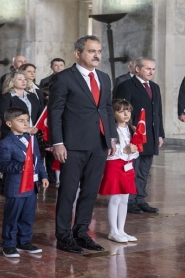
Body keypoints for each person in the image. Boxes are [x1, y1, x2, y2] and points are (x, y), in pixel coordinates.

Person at [48, 35, 117, 254]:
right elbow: (55, 112)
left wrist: (111, 138)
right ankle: (64, 236)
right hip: (73, 145)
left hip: (99, 144)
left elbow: (106, 109)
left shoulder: (104, 78)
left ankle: (82, 233)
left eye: (99, 51)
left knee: (90, 191)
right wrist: (57, 142)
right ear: (78, 53)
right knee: (68, 191)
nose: (96, 55)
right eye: (91, 51)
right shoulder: (64, 78)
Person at [113, 57, 164, 214]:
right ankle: (129, 201)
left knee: (144, 169)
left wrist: (160, 134)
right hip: (132, 136)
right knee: (132, 168)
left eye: (153, 69)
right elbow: (119, 111)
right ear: (137, 69)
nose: (151, 72)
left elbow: (158, 113)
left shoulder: (154, 87)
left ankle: (140, 198)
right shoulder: (126, 86)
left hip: (150, 136)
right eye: (148, 69)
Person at [0, 107, 49, 258]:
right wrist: (22, 166)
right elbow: (2, 165)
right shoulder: (5, 143)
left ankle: (24, 241)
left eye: (27, 120)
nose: (25, 123)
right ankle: (8, 244)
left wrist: (43, 176)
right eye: (20, 121)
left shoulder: (31, 139)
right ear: (9, 123)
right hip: (16, 186)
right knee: (12, 216)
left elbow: (38, 161)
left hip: (31, 186)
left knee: (28, 215)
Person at [99, 99, 138, 243]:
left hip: (128, 165)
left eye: (127, 110)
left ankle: (121, 229)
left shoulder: (132, 128)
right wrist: (124, 149)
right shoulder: (111, 130)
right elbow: (109, 151)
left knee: (125, 199)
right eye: (121, 111)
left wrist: (133, 151)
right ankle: (113, 230)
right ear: (113, 113)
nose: (125, 113)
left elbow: (135, 149)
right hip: (114, 165)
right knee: (115, 198)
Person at [0, 71, 42, 139]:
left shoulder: (32, 95)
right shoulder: (6, 97)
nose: (23, 81)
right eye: (20, 79)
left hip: (32, 133)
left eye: (24, 79)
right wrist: (25, 129)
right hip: (13, 135)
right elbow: (5, 117)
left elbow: (39, 112)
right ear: (12, 81)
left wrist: (35, 128)